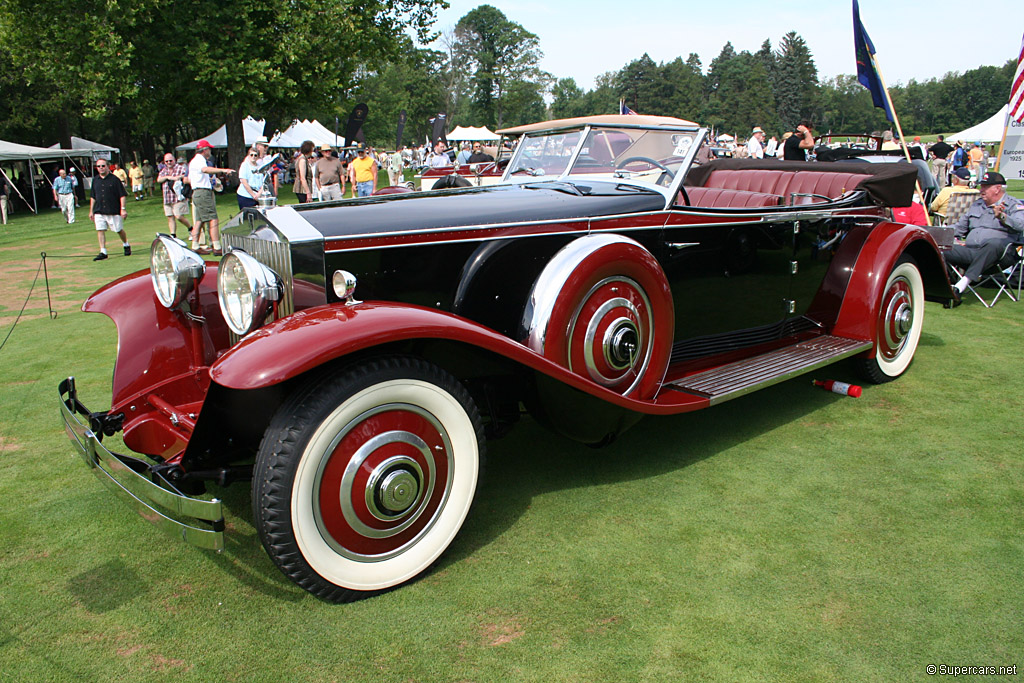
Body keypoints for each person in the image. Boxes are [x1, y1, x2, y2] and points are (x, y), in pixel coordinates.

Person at [944, 172, 1024, 306]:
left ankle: (960, 286)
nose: (981, 190)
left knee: (993, 244)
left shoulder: (1013, 205)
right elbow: (959, 228)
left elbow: (1021, 225)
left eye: (985, 187)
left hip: (1001, 256)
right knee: (940, 248)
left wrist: (1002, 217)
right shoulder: (976, 205)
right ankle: (938, 289)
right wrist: (938, 232)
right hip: (972, 252)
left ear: (997, 188)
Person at [188, 139, 234, 255]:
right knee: (213, 218)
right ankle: (217, 247)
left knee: (199, 220)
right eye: (209, 149)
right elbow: (205, 169)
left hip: (197, 192)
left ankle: (195, 245)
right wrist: (223, 170)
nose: (210, 151)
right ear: (205, 150)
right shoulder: (199, 160)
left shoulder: (194, 161)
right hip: (203, 192)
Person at [88, 159, 131, 261]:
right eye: (98, 166)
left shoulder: (115, 180)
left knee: (118, 230)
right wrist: (91, 211)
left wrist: (123, 209)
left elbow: (122, 195)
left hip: (113, 210)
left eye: (103, 166)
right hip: (99, 210)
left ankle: (126, 244)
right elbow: (93, 196)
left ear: (107, 166)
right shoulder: (95, 180)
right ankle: (103, 251)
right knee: (100, 230)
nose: (101, 168)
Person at [157, 152, 192, 238]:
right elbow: (159, 180)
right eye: (166, 161)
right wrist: (168, 177)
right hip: (167, 198)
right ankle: (173, 235)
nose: (169, 162)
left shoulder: (180, 168)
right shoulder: (164, 171)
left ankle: (191, 228)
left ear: (174, 160)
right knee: (170, 216)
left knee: (179, 216)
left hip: (178, 197)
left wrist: (178, 177)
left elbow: (186, 176)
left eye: (170, 160)